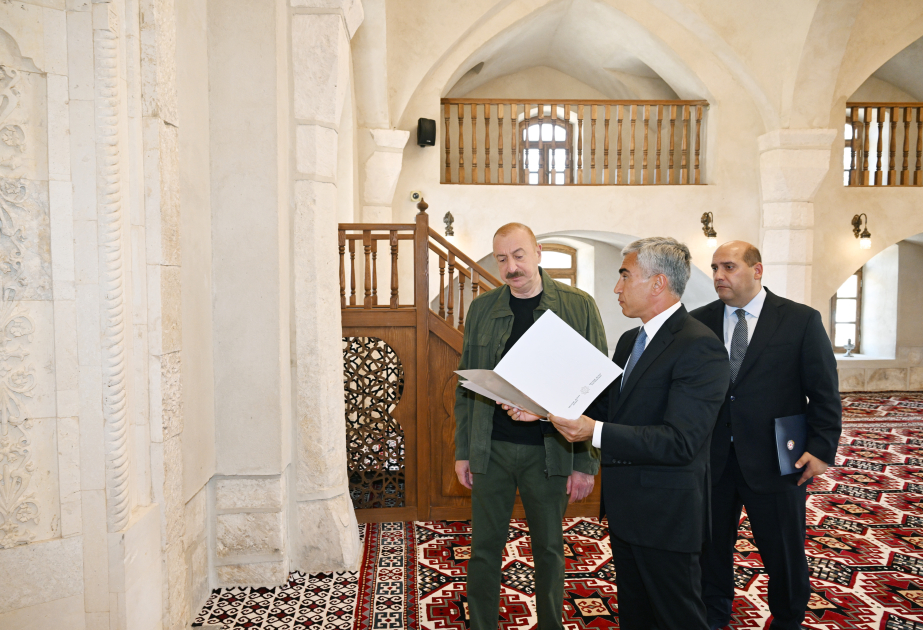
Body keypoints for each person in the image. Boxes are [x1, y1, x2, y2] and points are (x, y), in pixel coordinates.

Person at [536, 236, 729, 630]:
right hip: (627, 511)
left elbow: (680, 442)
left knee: (678, 619)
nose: (617, 287)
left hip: (666, 517)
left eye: (625, 276)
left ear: (658, 283)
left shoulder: (699, 346)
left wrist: (595, 431)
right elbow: (607, 408)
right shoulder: (630, 341)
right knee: (637, 618)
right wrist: (539, 408)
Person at [454, 222, 607, 630]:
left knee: (550, 548)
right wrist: (463, 451)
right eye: (502, 259)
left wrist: (585, 463)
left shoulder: (578, 305)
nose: (511, 267)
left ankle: (551, 625)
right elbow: (466, 387)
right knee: (484, 547)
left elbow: (594, 389)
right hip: (493, 448)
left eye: (519, 255)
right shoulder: (483, 309)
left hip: (551, 451)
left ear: (538, 252)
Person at [690, 241, 841, 630]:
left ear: (757, 270)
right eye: (714, 268)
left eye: (728, 267)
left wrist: (822, 449)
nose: (719, 276)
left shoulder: (799, 320)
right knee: (710, 551)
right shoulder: (698, 320)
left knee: (783, 553)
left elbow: (823, 390)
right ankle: (714, 614)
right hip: (713, 460)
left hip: (777, 459)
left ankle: (788, 619)